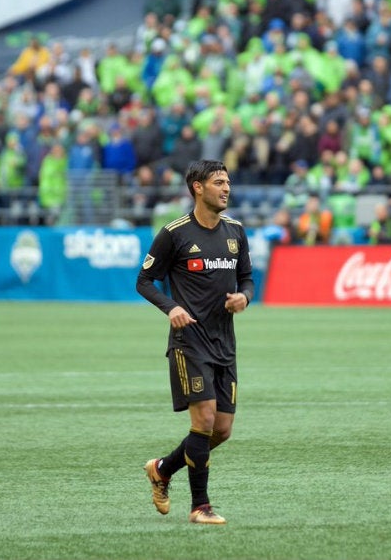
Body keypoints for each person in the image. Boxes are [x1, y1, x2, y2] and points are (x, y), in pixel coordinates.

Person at [136, 159, 254, 526]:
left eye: (228, 182)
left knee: (221, 430)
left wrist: (245, 298)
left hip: (225, 344)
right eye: (219, 182)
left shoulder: (236, 232)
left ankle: (162, 468)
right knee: (203, 420)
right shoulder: (174, 233)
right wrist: (171, 307)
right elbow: (144, 281)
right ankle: (200, 506)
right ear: (197, 188)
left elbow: (247, 279)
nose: (226, 188)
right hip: (189, 342)